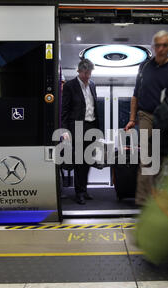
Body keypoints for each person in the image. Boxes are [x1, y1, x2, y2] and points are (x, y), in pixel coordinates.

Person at [124, 30, 168, 206]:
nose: (161, 49)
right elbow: (135, 95)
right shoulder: (144, 68)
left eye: (164, 45)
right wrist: (132, 119)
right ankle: (143, 202)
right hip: (145, 117)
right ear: (153, 47)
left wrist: (167, 113)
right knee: (147, 159)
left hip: (165, 120)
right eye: (157, 45)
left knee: (160, 160)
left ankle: (156, 199)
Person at [61, 59, 99, 205]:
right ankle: (79, 193)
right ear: (79, 71)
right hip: (77, 127)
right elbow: (64, 110)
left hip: (92, 126)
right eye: (85, 73)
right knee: (79, 161)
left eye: (90, 72)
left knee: (88, 160)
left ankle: (84, 189)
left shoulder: (93, 85)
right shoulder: (70, 86)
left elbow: (94, 107)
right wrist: (64, 130)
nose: (88, 76)